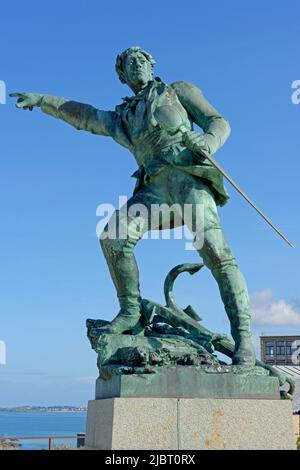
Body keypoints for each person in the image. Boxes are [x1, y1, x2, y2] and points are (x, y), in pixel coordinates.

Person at [10, 46, 255, 366]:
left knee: (216, 252)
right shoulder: (122, 118)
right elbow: (84, 116)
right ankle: (130, 310)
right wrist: (44, 100)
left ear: (151, 65)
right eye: (130, 64)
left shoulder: (177, 91)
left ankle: (245, 340)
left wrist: (208, 141)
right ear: (123, 76)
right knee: (113, 234)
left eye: (142, 60)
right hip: (153, 191)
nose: (137, 65)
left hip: (187, 181)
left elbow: (219, 121)